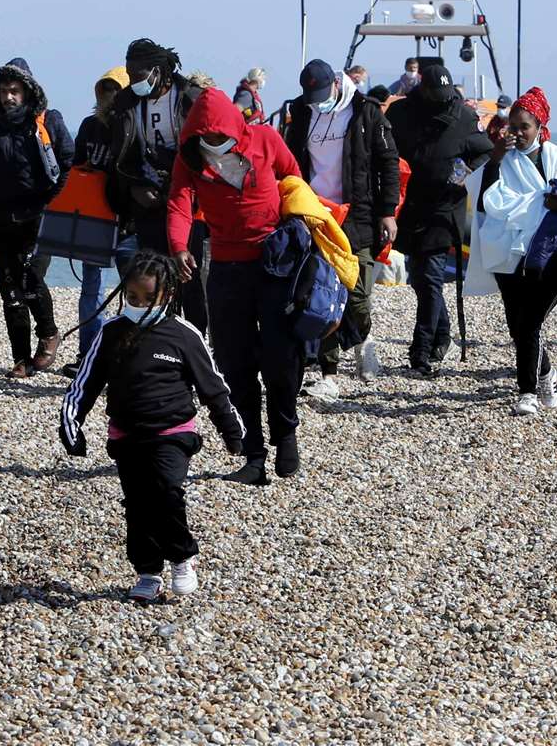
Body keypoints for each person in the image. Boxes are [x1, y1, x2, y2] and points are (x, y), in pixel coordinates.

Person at [59, 252, 243, 603]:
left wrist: (231, 432)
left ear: (167, 295)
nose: (139, 305)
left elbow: (213, 386)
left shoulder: (184, 334)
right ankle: (147, 571)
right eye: (132, 299)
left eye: (148, 299)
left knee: (167, 491)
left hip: (173, 432)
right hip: (126, 435)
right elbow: (85, 383)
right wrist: (71, 424)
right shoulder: (111, 332)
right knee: (139, 503)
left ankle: (182, 556)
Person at [169, 87, 304, 485]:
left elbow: (294, 177)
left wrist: (298, 227)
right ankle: (254, 454)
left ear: (234, 125)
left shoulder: (265, 138)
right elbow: (178, 203)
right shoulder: (190, 157)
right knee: (233, 360)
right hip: (226, 266)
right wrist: (179, 247)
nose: (213, 143)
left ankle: (286, 431)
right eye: (205, 137)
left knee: (282, 355)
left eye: (218, 136)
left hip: (275, 263)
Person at [469, 88, 557, 414]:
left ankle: (526, 392)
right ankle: (545, 372)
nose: (516, 133)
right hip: (507, 251)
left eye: (523, 127)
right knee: (517, 324)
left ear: (539, 126)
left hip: (552, 256)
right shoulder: (502, 159)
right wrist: (496, 157)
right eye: (511, 126)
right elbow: (484, 202)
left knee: (530, 322)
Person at [282, 59, 399, 397]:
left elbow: (388, 162)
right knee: (321, 293)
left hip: (358, 215)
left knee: (358, 296)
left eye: (322, 94)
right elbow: (291, 161)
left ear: (336, 83)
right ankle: (329, 373)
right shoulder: (303, 113)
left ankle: (364, 338)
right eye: (312, 97)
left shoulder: (365, 112)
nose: (318, 102)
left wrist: (387, 212)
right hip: (316, 215)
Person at [387, 62, 493, 375]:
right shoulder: (400, 113)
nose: (445, 98)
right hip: (411, 205)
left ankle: (420, 352)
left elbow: (485, 152)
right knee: (420, 279)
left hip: (445, 207)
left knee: (431, 277)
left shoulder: (463, 115)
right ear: (424, 88)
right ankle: (442, 336)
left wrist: (463, 174)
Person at [100, 38, 208, 332]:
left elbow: (207, 149)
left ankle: (197, 339)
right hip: (146, 200)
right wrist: (135, 187)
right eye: (130, 75)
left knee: (190, 276)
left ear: (159, 71)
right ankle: (156, 337)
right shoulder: (125, 104)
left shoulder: (191, 98)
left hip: (189, 199)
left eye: (139, 75)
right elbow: (122, 156)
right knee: (153, 273)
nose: (134, 81)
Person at [0, 58, 73, 377]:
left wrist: (53, 206)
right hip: (2, 219)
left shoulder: (49, 121)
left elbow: (68, 165)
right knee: (10, 291)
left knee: (31, 279)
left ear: (28, 92)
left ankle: (48, 333)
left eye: (15, 90)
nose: (9, 97)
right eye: (4, 91)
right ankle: (20, 357)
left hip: (39, 217)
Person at [65, 67, 135, 378]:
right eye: (105, 90)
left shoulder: (135, 127)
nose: (110, 96)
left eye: (116, 89)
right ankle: (88, 355)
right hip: (94, 219)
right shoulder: (89, 126)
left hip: (127, 221)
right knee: (91, 289)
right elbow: (77, 167)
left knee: (134, 290)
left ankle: (129, 357)